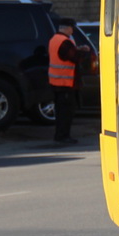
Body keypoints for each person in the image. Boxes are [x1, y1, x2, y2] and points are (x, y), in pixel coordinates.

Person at [48, 17, 92, 145]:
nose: (73, 31)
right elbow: (74, 57)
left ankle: (60, 135)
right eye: (72, 28)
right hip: (65, 84)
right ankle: (63, 136)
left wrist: (78, 50)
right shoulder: (65, 42)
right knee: (66, 112)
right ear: (67, 28)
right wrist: (84, 52)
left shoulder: (54, 39)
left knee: (60, 111)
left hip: (56, 82)